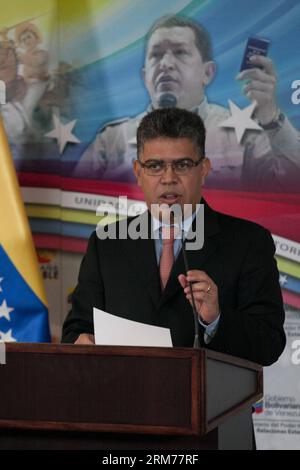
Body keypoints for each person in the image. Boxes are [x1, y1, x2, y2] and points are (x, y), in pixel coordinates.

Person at [62, 107, 286, 366]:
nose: (168, 179)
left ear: (204, 169)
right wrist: (80, 342)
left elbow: (268, 344)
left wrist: (216, 319)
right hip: (123, 399)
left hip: (208, 403)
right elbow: (74, 331)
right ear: (138, 171)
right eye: (155, 166)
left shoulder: (248, 242)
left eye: (182, 165)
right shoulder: (107, 244)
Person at [74, 15, 300, 191]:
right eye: (156, 55)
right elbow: (79, 210)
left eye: (180, 52)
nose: (166, 63)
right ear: (145, 76)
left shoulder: (244, 136)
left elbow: (290, 191)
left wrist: (270, 117)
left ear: (208, 73)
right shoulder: (112, 141)